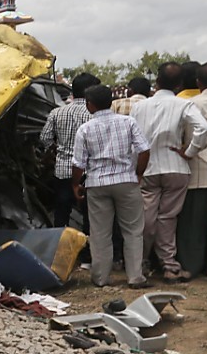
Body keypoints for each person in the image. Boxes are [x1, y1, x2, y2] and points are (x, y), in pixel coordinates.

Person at [131, 62, 207, 282]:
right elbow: (203, 128)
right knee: (168, 217)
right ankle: (169, 265)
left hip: (147, 168)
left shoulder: (139, 107)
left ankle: (142, 262)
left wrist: (134, 167)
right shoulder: (182, 104)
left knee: (146, 216)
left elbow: (133, 140)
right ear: (178, 85)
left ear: (156, 82)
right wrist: (190, 151)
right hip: (175, 166)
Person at [72, 85, 151, 288]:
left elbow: (79, 163)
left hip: (97, 183)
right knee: (133, 230)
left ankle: (101, 278)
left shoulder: (85, 129)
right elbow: (144, 150)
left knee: (100, 233)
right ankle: (135, 277)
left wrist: (76, 185)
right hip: (126, 180)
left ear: (90, 105)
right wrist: (139, 173)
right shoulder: (128, 122)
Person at [41, 72, 101, 228]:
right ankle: (88, 246)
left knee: (61, 214)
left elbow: (45, 138)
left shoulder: (57, 112)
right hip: (89, 173)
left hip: (63, 171)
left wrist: (55, 150)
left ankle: (60, 246)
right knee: (91, 215)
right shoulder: (96, 115)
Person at [177, 62, 207, 279]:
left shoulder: (189, 105)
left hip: (198, 168)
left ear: (198, 82)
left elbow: (184, 134)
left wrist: (187, 152)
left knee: (193, 222)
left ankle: (193, 266)